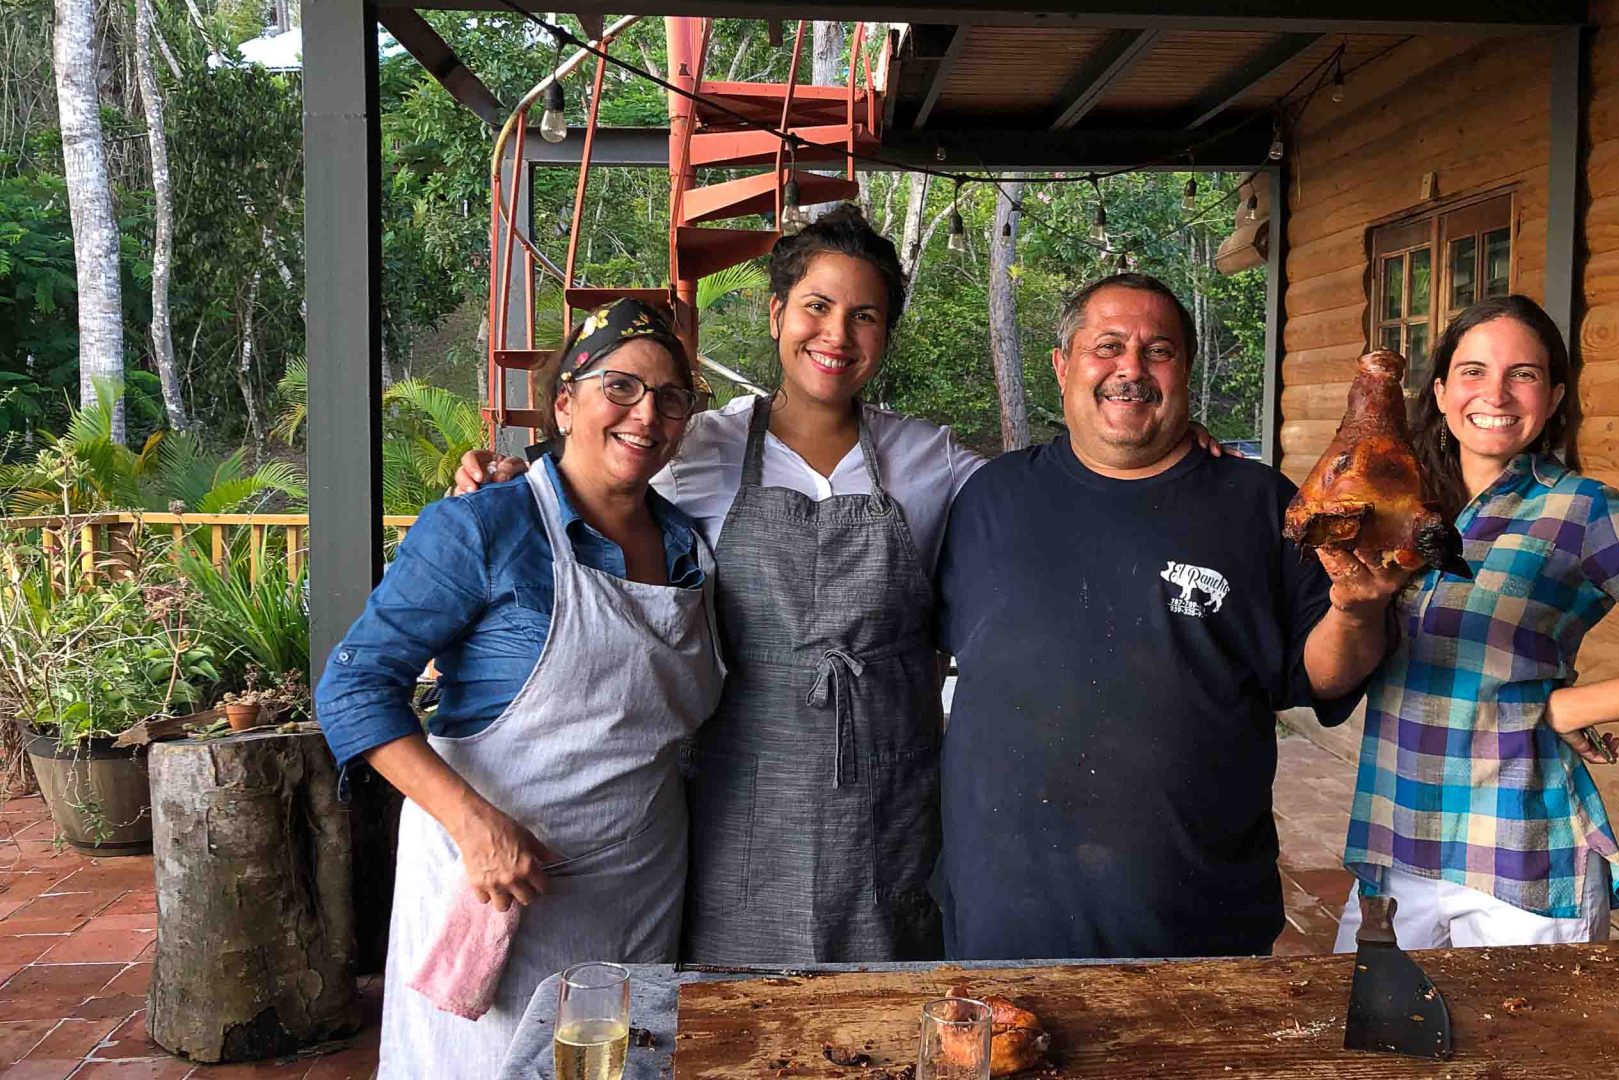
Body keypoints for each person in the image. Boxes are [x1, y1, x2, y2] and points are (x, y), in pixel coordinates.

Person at [458, 207, 1237, 964]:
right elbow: (583, 480)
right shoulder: (699, 446)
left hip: (892, 803)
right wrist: (500, 477)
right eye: (817, 307)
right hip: (743, 802)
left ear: (885, 338)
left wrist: (1171, 452)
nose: (836, 334)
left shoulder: (931, 458)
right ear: (776, 315)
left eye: (864, 316)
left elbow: (1054, 491)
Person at [934, 273, 1405, 961]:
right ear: (1064, 365)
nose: (1131, 368)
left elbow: (1323, 678)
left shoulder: (1263, 506)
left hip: (1196, 911)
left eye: (1158, 350)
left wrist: (1358, 611)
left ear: (1185, 369)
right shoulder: (988, 499)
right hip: (1001, 906)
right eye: (1108, 346)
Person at [315, 300, 723, 1078]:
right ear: (565, 401)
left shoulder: (688, 543)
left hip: (638, 891)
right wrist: (472, 826)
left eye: (673, 397)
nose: (649, 414)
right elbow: (353, 685)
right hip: (499, 891)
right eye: (622, 387)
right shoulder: (481, 527)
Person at [1332, 294, 1619, 952]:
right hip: (1398, 843)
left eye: (1522, 374)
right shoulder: (1394, 504)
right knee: (1370, 1052)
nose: (1495, 393)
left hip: (1522, 854)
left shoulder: (1580, 509)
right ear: (1442, 391)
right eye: (1473, 371)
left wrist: (1560, 707)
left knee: (1530, 1055)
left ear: (1554, 395)